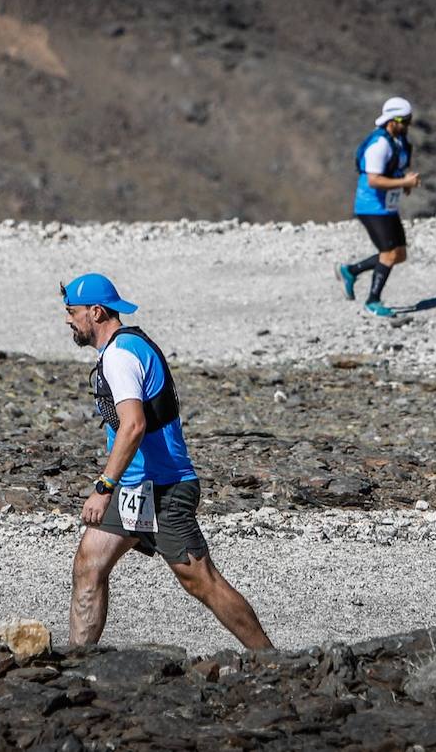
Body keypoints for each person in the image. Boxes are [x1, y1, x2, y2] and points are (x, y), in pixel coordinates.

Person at [61, 273, 273, 650]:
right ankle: (79, 661)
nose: (67, 320)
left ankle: (271, 659)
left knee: (201, 582)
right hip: (136, 489)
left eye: (71, 311)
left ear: (95, 312)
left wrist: (103, 487)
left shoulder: (122, 355)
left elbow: (133, 426)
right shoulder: (120, 349)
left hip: (165, 488)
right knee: (89, 566)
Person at [336, 96, 421, 318]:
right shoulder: (379, 145)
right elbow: (374, 180)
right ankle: (373, 301)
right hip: (371, 207)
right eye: (404, 120)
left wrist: (405, 182)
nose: (408, 124)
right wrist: (404, 183)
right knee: (388, 253)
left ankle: (351, 271)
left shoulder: (400, 141)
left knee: (399, 254)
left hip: (387, 206)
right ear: (392, 120)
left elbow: (393, 170)